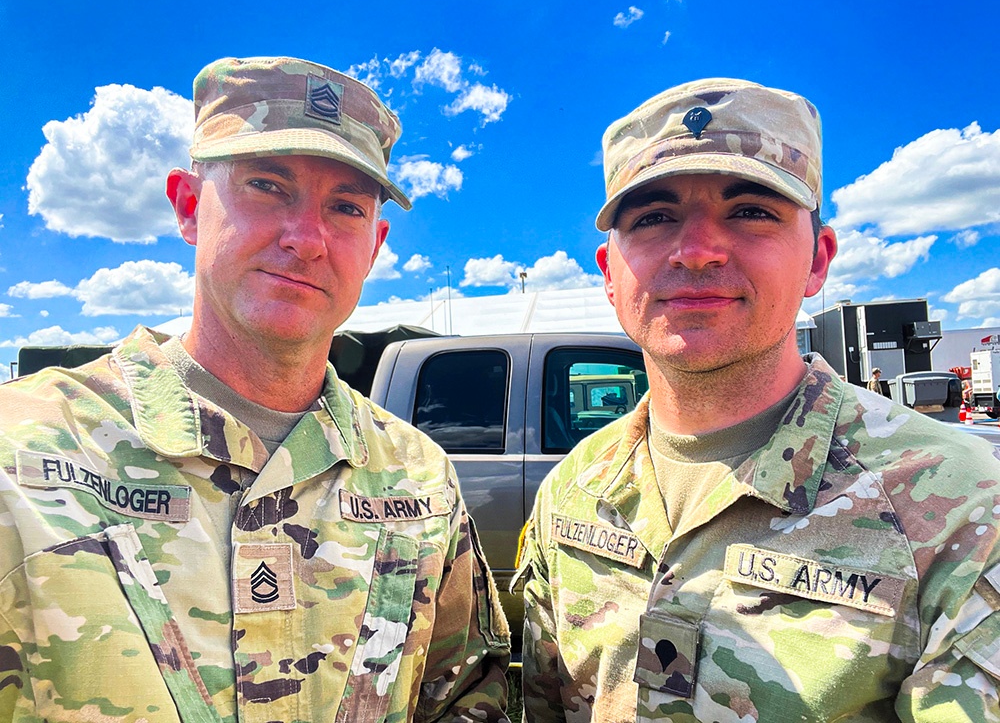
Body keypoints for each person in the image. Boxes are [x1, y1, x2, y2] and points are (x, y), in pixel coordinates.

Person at [0, 57, 509, 722]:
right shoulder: (24, 449)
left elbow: (467, 698)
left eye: (346, 207)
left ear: (376, 246)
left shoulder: (417, 478)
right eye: (267, 185)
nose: (306, 239)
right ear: (188, 206)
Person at [519, 78, 1000, 721]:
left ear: (817, 261)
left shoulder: (958, 508)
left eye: (752, 211)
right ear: (610, 272)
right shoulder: (573, 490)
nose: (696, 251)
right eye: (654, 217)